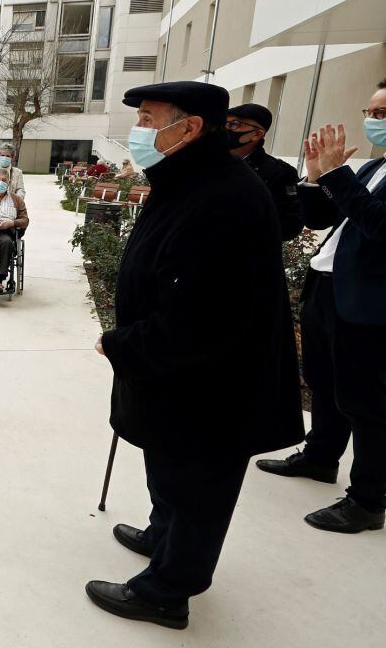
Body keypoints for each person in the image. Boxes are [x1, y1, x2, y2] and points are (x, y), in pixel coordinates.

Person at [86, 81, 304, 629]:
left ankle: (167, 590)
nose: (138, 131)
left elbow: (204, 316)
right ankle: (163, 537)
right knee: (169, 464)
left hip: (213, 384)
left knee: (199, 485)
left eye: (148, 119)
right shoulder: (186, 178)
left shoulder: (225, 197)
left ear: (189, 128)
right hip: (176, 374)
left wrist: (121, 344)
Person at [257, 80, 386, 534]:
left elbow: (378, 225)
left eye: (382, 114)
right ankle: (320, 457)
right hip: (328, 288)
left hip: (369, 304)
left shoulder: (358, 173)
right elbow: (322, 219)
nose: (371, 121)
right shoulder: (374, 168)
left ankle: (368, 500)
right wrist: (315, 178)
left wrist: (336, 176)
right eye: (370, 111)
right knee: (324, 380)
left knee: (365, 403)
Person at [225, 103, 303, 241]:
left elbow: (290, 225)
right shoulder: (204, 163)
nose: (225, 129)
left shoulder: (280, 173)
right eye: (223, 123)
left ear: (257, 134)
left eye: (234, 124)